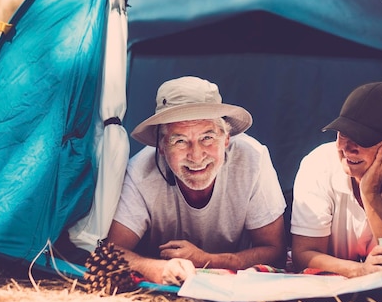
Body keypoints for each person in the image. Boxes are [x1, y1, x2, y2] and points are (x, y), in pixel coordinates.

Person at [107, 76, 286, 285]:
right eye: (180, 141)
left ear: (226, 138)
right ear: (162, 146)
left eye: (207, 138)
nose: (196, 156)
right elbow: (110, 250)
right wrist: (155, 268)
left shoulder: (252, 159)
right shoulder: (140, 171)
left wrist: (206, 260)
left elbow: (276, 252)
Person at [290, 81, 382, 278]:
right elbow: (303, 254)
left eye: (363, 138)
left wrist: (370, 193)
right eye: (343, 133)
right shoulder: (318, 164)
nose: (347, 148)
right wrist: (360, 270)